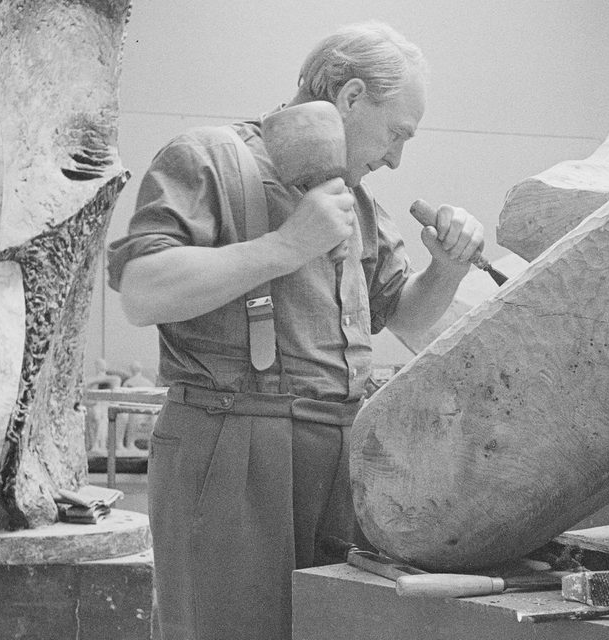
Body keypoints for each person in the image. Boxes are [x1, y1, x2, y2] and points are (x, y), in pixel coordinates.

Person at [107, 21, 485, 640]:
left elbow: (411, 320)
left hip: (339, 450)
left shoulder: (355, 200)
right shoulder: (208, 158)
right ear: (352, 97)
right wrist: (284, 246)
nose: (395, 157)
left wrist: (445, 267)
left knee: (332, 626)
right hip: (232, 447)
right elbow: (143, 292)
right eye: (397, 134)